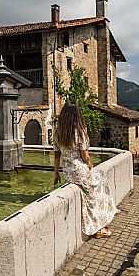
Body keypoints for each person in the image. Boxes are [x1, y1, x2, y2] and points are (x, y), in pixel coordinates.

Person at [53, 102, 118, 238]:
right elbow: (85, 155)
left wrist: (56, 174)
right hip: (80, 171)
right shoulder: (79, 132)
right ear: (76, 116)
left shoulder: (58, 132)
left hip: (68, 173)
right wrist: (89, 164)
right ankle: (99, 228)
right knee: (100, 185)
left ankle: (109, 211)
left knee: (98, 180)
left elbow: (57, 155)